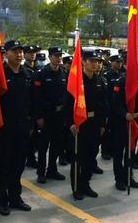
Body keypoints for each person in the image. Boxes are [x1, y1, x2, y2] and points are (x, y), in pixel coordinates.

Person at [0, 40, 33, 215]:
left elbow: (32, 101)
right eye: (14, 51)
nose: (19, 54)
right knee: (4, 166)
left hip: (23, 128)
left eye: (20, 51)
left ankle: (16, 197)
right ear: (6, 53)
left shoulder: (28, 74)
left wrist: (31, 124)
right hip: (5, 129)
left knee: (18, 165)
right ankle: (2, 200)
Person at [64, 50, 107, 200]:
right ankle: (76, 187)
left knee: (90, 157)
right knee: (78, 158)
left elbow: (103, 105)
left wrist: (102, 124)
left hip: (94, 124)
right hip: (79, 125)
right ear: (83, 61)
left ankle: (85, 183)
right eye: (92, 61)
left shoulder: (100, 81)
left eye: (98, 61)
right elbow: (68, 105)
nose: (96, 64)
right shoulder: (76, 81)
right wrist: (70, 124)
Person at [33, 47, 67, 184]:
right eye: (55, 55)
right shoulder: (41, 74)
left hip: (59, 115)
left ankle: (52, 169)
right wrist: (39, 117)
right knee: (43, 146)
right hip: (46, 115)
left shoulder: (64, 73)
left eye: (60, 55)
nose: (58, 58)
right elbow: (36, 97)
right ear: (50, 57)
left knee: (57, 144)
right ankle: (41, 172)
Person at [101, 55, 124, 160]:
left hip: (118, 108)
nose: (119, 64)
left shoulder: (122, 75)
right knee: (107, 130)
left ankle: (113, 150)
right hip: (109, 106)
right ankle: (105, 151)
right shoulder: (106, 75)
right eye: (117, 62)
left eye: (120, 62)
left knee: (117, 131)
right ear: (111, 62)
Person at [23, 45, 40, 169]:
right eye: (29, 53)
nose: (32, 55)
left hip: (36, 108)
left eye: (34, 52)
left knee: (34, 136)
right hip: (25, 109)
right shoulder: (22, 70)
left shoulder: (39, 71)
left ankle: (31, 158)